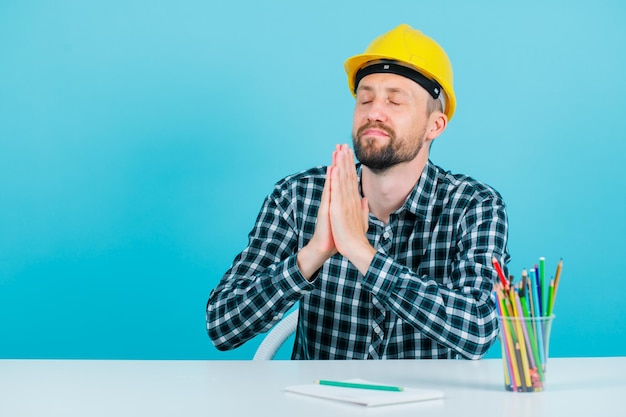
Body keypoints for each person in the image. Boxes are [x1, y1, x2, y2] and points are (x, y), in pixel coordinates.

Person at [206, 23, 509, 360]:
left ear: (434, 125)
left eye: (395, 101)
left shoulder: (473, 206)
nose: (374, 113)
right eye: (365, 99)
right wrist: (314, 254)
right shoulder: (298, 197)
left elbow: (480, 330)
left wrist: (362, 253)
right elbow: (222, 325)